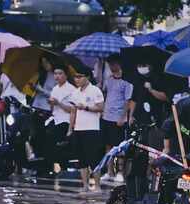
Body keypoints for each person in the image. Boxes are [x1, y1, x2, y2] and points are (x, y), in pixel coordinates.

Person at [67, 67, 105, 195]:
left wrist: (86, 107)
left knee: (94, 158)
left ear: (87, 77)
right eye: (75, 77)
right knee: (81, 159)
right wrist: (70, 128)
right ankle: (85, 185)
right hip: (78, 128)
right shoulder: (75, 92)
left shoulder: (95, 90)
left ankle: (98, 186)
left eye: (80, 76)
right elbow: (73, 111)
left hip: (92, 129)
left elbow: (101, 108)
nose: (77, 79)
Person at [100, 54, 133, 183]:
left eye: (114, 64)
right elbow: (106, 94)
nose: (112, 67)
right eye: (110, 64)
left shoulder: (126, 81)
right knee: (108, 146)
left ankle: (120, 172)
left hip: (118, 118)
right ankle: (109, 172)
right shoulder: (108, 79)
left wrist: (123, 116)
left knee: (119, 147)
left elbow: (128, 101)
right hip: (107, 116)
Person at [47, 64, 75, 171]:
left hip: (66, 120)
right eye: (55, 74)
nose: (57, 76)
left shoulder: (71, 89)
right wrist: (51, 103)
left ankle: (63, 167)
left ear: (66, 75)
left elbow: (71, 109)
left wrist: (58, 103)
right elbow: (52, 108)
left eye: (60, 73)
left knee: (58, 141)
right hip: (55, 118)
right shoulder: (54, 89)